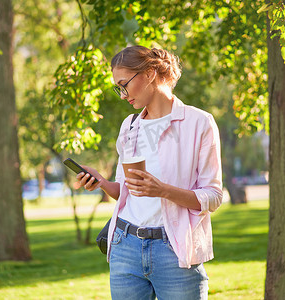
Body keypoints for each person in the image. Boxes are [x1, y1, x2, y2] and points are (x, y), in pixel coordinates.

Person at [75, 45, 223, 299]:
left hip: (175, 251)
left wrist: (163, 191)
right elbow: (126, 191)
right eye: (118, 88)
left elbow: (213, 196)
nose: (122, 95)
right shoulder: (130, 126)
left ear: (150, 73)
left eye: (125, 84)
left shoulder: (198, 123)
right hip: (125, 247)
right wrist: (100, 181)